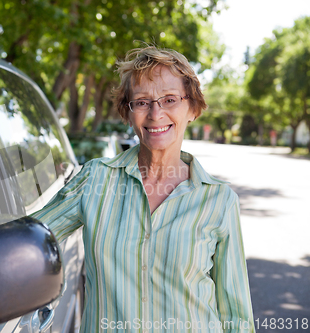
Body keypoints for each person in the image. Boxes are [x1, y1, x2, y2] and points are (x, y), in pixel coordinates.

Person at [31, 45, 255, 332]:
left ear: (193, 109)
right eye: (141, 102)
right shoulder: (95, 181)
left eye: (170, 99)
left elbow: (237, 315)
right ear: (128, 112)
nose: (155, 113)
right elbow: (24, 237)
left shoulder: (219, 201)